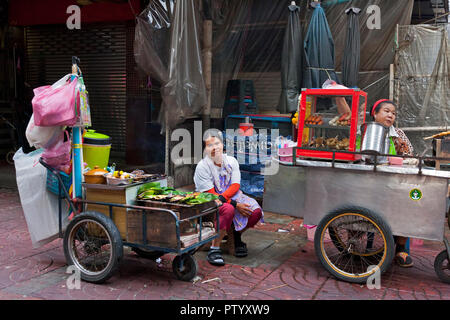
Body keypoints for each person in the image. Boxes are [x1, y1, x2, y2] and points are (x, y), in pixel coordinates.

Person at [194, 131, 263, 266]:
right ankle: (214, 249)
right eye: (209, 145)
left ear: (222, 145)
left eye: (217, 143)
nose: (214, 148)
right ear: (205, 148)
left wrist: (233, 201)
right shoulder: (202, 166)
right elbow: (212, 195)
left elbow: (235, 185)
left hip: (231, 197)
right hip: (209, 200)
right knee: (228, 209)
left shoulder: (231, 161)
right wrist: (235, 204)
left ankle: (235, 236)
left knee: (256, 212)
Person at [370, 99, 415, 267]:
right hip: (370, 182)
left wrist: (402, 153)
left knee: (409, 204)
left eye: (394, 113)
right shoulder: (365, 132)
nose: (391, 115)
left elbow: (409, 157)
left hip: (392, 181)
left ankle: (401, 248)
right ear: (375, 114)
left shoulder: (398, 134)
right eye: (386, 111)